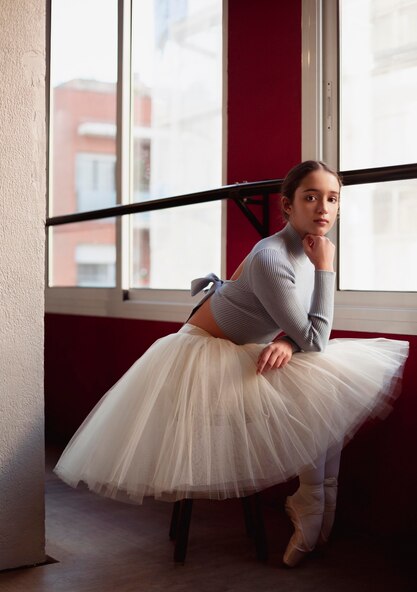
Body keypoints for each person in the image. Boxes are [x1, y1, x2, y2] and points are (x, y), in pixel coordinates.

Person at [54, 160, 409, 568]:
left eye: (332, 199)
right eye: (310, 197)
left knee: (326, 382)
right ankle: (313, 505)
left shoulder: (307, 248)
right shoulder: (276, 257)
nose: (323, 208)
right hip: (200, 357)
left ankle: (319, 499)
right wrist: (325, 272)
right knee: (320, 384)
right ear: (287, 206)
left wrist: (290, 344)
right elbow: (317, 337)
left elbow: (307, 336)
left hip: (241, 350)